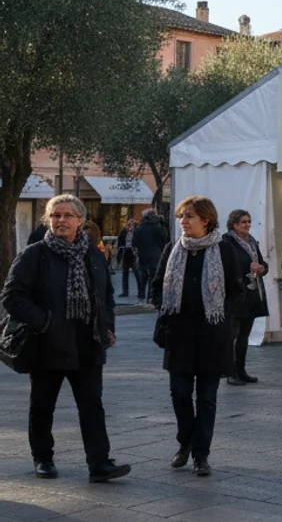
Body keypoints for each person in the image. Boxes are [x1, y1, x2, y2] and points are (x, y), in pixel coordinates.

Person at [0, 195, 130, 482]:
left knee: (92, 406)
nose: (61, 220)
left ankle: (99, 463)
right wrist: (44, 322)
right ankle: (43, 458)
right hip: (47, 344)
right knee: (42, 406)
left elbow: (106, 296)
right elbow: (12, 296)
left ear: (80, 220)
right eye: (55, 215)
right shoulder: (35, 254)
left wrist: (106, 326)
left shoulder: (93, 254)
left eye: (67, 215)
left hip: (87, 345)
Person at [151, 196, 244, 476]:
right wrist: (165, 308)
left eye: (189, 216)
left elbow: (236, 290)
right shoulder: (173, 249)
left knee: (206, 398)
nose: (183, 221)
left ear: (206, 220)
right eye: (181, 216)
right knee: (179, 394)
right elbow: (157, 285)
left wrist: (222, 317)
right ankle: (186, 441)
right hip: (178, 335)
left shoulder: (224, 250)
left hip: (212, 336)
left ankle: (201, 454)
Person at [222, 209, 270, 386]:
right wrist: (246, 269)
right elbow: (227, 268)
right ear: (234, 224)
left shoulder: (252, 241)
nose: (248, 225)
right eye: (244, 222)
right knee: (232, 335)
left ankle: (241, 370)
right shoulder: (227, 243)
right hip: (236, 293)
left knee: (244, 335)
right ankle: (230, 372)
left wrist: (262, 268)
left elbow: (261, 263)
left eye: (249, 221)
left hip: (251, 293)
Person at [133, 208, 169, 304]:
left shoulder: (139, 228)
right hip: (156, 256)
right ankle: (150, 297)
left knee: (142, 278)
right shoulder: (158, 227)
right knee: (153, 277)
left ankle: (141, 297)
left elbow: (134, 243)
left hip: (142, 256)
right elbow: (163, 241)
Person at [116, 219, 137, 298]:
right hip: (126, 252)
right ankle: (125, 291)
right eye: (128, 224)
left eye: (131, 224)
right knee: (125, 273)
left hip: (133, 253)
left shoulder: (136, 231)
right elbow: (120, 241)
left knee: (136, 272)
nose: (129, 226)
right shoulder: (123, 232)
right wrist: (120, 250)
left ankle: (140, 291)